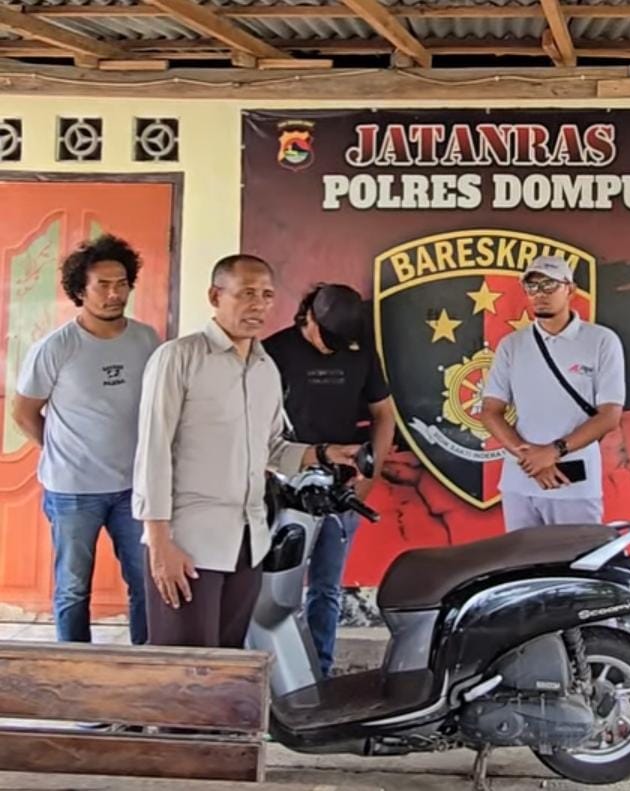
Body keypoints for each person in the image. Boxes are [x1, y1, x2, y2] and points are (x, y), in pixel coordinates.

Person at [132, 255, 364, 649]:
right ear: (215, 296)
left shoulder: (265, 369)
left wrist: (325, 454)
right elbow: (153, 452)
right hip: (189, 543)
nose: (258, 305)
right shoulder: (179, 358)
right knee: (186, 667)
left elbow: (272, 449)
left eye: (267, 295)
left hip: (248, 542)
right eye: (246, 294)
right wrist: (159, 543)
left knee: (229, 666)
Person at [13, 235, 160, 646]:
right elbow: (24, 413)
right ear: (80, 289)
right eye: (103, 285)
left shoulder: (147, 340)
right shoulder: (55, 348)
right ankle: (76, 671)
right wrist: (64, 452)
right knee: (73, 589)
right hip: (72, 491)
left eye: (122, 284)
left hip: (133, 488)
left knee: (145, 583)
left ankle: (145, 668)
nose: (114, 294)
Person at [263, 283, 395, 676]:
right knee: (275, 589)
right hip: (286, 485)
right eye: (328, 340)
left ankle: (319, 672)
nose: (334, 350)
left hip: (342, 488)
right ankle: (273, 672)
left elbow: (384, 414)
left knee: (327, 587)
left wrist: (369, 474)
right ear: (309, 318)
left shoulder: (361, 352)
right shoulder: (273, 352)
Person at [479, 255, 625, 531]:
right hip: (520, 482)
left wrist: (553, 452)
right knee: (521, 558)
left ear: (570, 289)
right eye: (532, 287)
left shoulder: (602, 341)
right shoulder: (512, 344)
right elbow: (490, 411)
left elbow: (609, 416)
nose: (540, 294)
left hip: (574, 483)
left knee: (576, 557)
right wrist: (531, 458)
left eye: (549, 285)